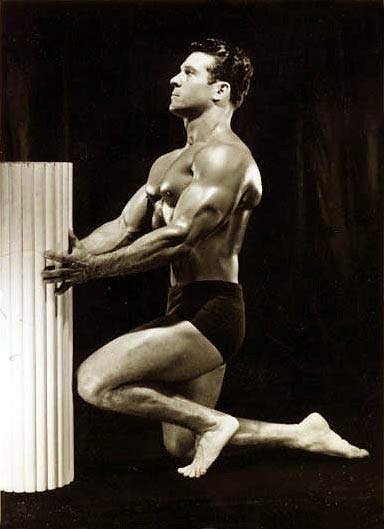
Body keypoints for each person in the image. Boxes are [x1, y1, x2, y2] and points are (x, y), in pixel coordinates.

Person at [42, 38, 368, 478]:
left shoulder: (227, 157)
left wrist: (93, 270)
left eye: (190, 72)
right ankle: (301, 433)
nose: (174, 79)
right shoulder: (168, 162)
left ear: (221, 91)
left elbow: (179, 238)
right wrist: (78, 252)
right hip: (182, 305)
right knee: (180, 444)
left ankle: (216, 423)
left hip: (214, 312)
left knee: (94, 381)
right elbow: (122, 227)